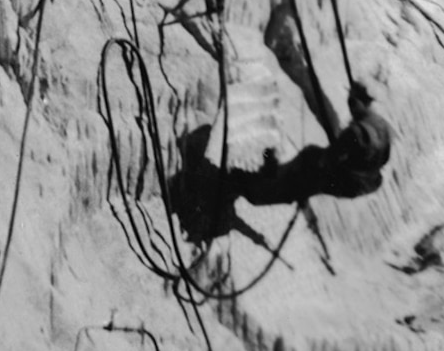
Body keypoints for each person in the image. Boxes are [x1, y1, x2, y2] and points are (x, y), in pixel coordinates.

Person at [169, 78, 395, 238]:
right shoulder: (382, 126)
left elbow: (326, 160)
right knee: (308, 158)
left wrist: (308, 181)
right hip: (365, 184)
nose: (350, 108)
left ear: (357, 101)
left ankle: (214, 204)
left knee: (263, 191)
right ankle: (269, 176)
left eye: (351, 102)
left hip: (344, 180)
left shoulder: (355, 133)